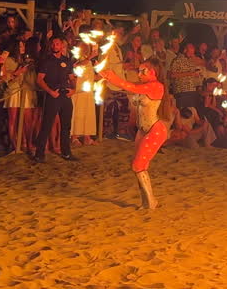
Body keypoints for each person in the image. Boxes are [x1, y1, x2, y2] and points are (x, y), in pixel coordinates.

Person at [99, 58, 169, 209]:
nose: (139, 73)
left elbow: (129, 87)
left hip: (155, 130)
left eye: (143, 70)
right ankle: (147, 202)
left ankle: (151, 202)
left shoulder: (157, 86)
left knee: (137, 166)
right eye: (139, 70)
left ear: (153, 72)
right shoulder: (143, 86)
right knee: (139, 166)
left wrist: (114, 77)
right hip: (142, 130)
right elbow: (128, 89)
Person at [32, 36, 78, 162]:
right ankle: (39, 154)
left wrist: (74, 89)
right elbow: (39, 79)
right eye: (53, 44)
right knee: (46, 124)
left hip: (65, 95)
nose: (55, 46)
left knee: (66, 125)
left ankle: (66, 152)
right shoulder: (46, 61)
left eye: (57, 44)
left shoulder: (67, 60)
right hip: (53, 95)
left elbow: (72, 77)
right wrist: (50, 92)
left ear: (61, 46)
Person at [69, 41, 98, 147]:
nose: (86, 48)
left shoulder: (89, 60)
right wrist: (89, 58)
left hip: (88, 91)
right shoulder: (76, 58)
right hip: (78, 91)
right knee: (78, 114)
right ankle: (74, 137)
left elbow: (91, 76)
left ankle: (87, 137)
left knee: (88, 113)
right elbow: (75, 67)